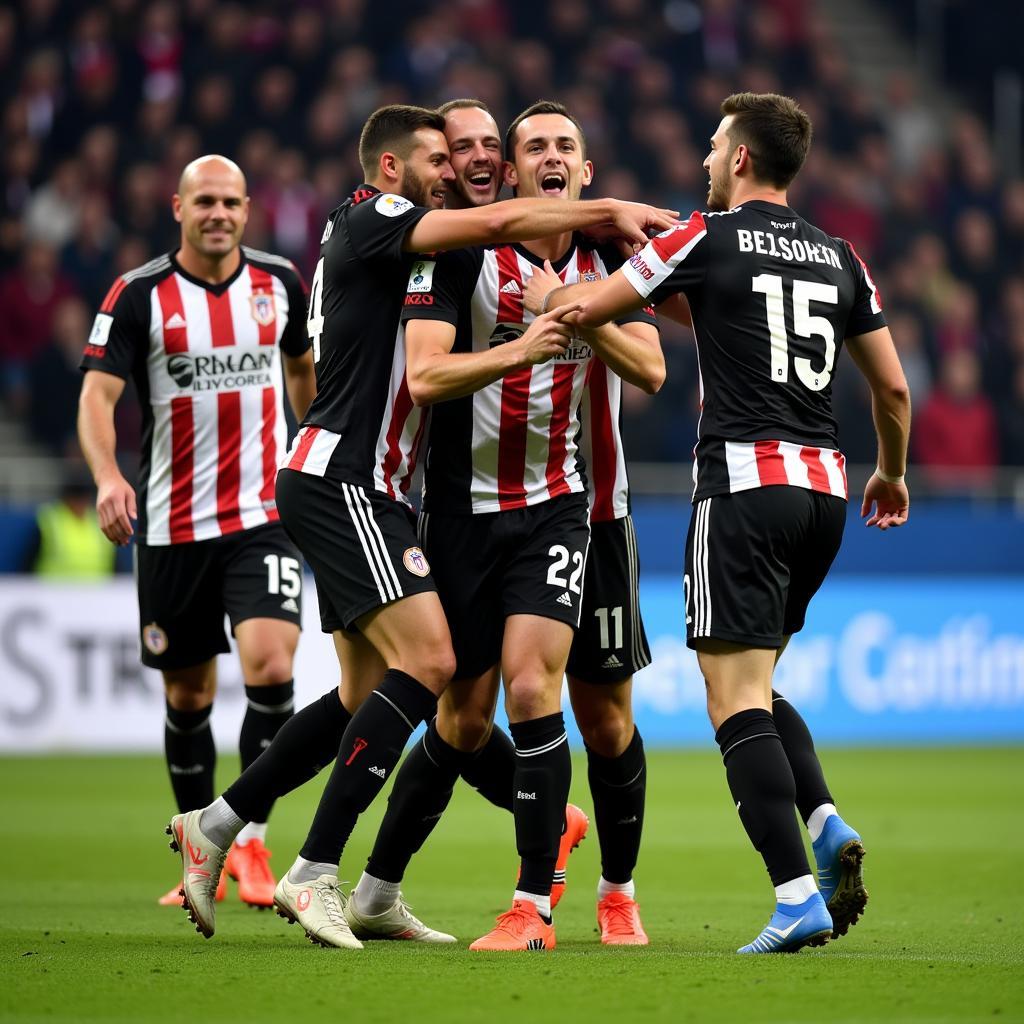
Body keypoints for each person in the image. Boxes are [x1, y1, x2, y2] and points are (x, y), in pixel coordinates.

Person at [167, 103, 678, 947]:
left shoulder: (430, 239)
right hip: (356, 480)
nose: (459, 165)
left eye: (475, 149)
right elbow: (446, 343)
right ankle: (314, 870)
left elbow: (655, 354)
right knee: (434, 663)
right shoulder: (394, 223)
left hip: (385, 484)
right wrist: (583, 253)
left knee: (366, 695)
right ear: (396, 170)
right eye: (448, 153)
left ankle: (219, 824)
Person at [529, 92, 911, 953]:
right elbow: (890, 386)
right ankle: (822, 821)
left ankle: (792, 897)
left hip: (742, 486)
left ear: (739, 157)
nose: (705, 159)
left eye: (712, 146)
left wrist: (558, 291)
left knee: (731, 700)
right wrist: (889, 470)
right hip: (823, 494)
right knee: (762, 684)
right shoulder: (840, 256)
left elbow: (591, 310)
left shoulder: (708, 233)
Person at [346, 100, 663, 953]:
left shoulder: (608, 259)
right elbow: (424, 375)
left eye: (566, 145)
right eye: (534, 148)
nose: (549, 156)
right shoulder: (459, 254)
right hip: (459, 514)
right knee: (461, 720)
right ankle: (376, 888)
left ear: (584, 173)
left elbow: (655, 368)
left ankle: (580, 900)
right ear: (515, 179)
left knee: (575, 706)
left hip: (579, 508)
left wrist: (568, 304)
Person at [78, 155, 317, 911]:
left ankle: (246, 838)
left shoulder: (280, 282)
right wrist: (109, 477)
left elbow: (305, 373)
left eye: (231, 202)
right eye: (204, 201)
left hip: (263, 516)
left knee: (273, 668)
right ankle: (196, 848)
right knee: (189, 694)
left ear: (249, 210)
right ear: (176, 207)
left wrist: (311, 449)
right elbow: (96, 397)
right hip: (173, 526)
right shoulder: (139, 294)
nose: (219, 213)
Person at [22, 463, 116, 578]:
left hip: (98, 593)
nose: (80, 503)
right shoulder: (49, 521)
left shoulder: (100, 521)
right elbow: (29, 561)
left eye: (83, 497)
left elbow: (115, 563)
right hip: (53, 592)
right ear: (66, 498)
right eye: (77, 497)